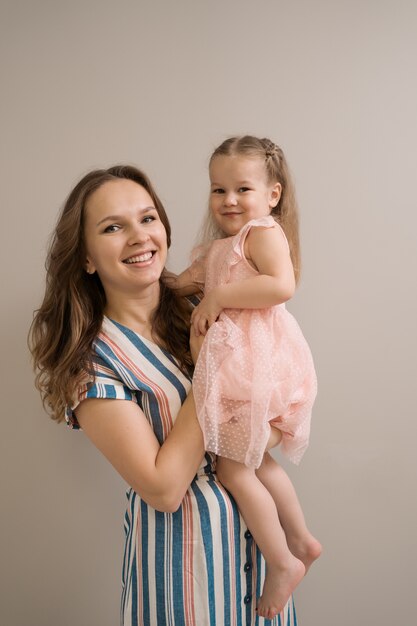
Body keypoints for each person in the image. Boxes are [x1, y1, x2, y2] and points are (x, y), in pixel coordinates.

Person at [29, 164, 297, 625]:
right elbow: (164, 488)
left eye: (148, 218)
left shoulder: (207, 307)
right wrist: (208, 371)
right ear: (87, 258)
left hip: (260, 564)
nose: (139, 237)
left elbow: (271, 411)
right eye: (113, 227)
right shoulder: (93, 366)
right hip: (185, 578)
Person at [169, 136, 322, 619]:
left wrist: (217, 299)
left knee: (235, 468)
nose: (229, 200)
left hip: (256, 368)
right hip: (240, 370)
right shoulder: (220, 247)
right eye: (218, 190)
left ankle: (282, 560)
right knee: (252, 460)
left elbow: (282, 284)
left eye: (242, 189)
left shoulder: (262, 231)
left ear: (272, 194)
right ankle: (300, 539)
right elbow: (179, 284)